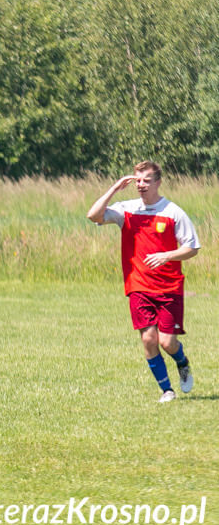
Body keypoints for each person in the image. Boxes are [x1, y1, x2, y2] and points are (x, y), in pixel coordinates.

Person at [87, 161, 199, 403]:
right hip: (138, 285)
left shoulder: (173, 211)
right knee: (148, 339)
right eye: (138, 180)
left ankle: (182, 361)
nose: (141, 185)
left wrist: (167, 255)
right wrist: (114, 189)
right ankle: (167, 391)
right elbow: (93, 215)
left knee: (167, 341)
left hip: (169, 287)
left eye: (147, 180)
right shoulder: (126, 209)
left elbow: (192, 247)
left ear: (158, 182)